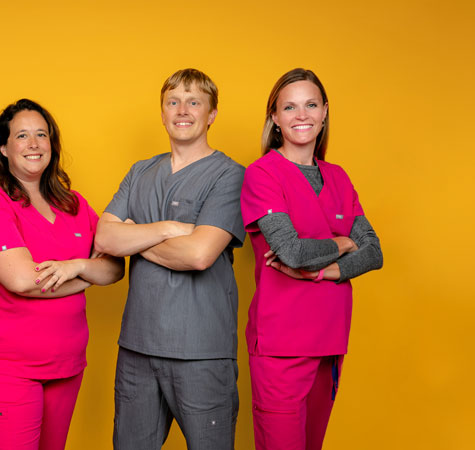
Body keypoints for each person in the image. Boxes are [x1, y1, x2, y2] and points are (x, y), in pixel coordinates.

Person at [0, 98, 125, 450]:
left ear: (52, 144)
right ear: (3, 148)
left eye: (41, 135)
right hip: (4, 367)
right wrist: (86, 277)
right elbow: (22, 281)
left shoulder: (74, 204)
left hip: (65, 365)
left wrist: (76, 266)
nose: (34, 144)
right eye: (22, 136)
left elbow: (114, 267)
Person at [95, 68, 245, 449]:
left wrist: (133, 235)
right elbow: (105, 236)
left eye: (194, 102)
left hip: (201, 353)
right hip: (136, 350)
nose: (183, 110)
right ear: (162, 113)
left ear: (211, 114)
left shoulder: (229, 175)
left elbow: (198, 254)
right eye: (173, 101)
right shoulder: (140, 171)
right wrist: (165, 228)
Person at [240, 68, 384, 450]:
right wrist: (341, 243)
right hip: (282, 345)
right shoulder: (262, 174)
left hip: (331, 341)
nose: (301, 115)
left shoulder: (338, 177)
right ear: (274, 117)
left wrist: (326, 273)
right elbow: (291, 252)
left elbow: (374, 251)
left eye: (310, 105)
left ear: (324, 113)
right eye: (289, 107)